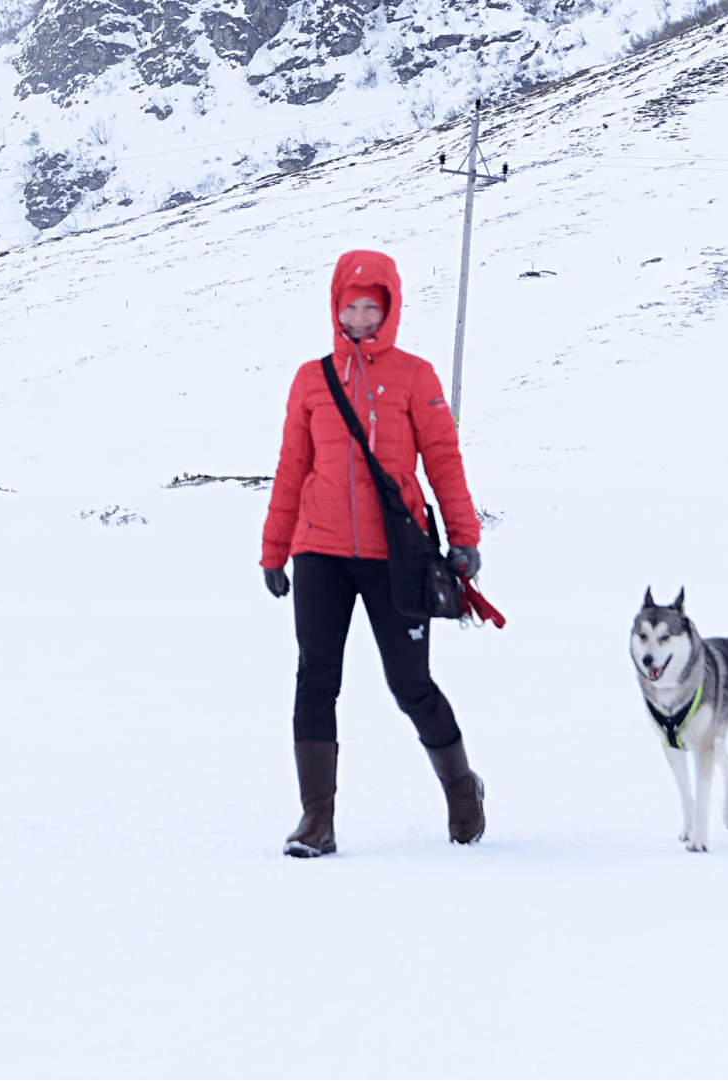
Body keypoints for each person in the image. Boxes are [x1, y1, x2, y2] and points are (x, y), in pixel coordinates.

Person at [260, 249, 487, 858]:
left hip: (396, 555)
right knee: (315, 678)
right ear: (335, 308)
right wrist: (274, 549)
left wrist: (464, 538)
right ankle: (317, 820)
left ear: (389, 310)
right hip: (319, 549)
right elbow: (292, 467)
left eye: (371, 307)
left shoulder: (416, 376)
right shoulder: (312, 379)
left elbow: (443, 460)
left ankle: (462, 788)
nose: (360, 318)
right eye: (350, 307)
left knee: (409, 684)